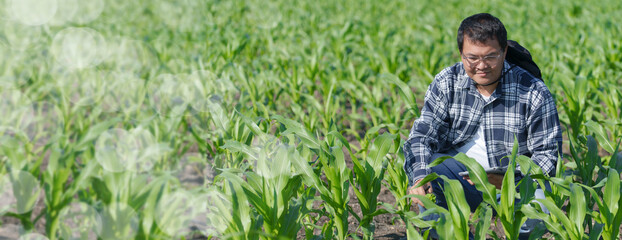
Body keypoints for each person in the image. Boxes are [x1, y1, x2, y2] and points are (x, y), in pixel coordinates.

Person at [402, 13, 562, 238]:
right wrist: (419, 177)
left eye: (490, 57)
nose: (482, 66)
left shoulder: (532, 91)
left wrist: (509, 178)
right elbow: (421, 136)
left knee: (540, 209)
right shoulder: (447, 82)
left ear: (504, 52)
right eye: (472, 58)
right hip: (460, 176)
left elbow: (548, 156)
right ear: (461, 54)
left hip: (512, 180)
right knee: (431, 183)